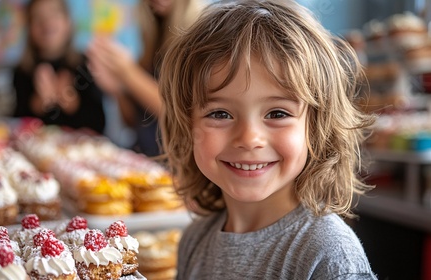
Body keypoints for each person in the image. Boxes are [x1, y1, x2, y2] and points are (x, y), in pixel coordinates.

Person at [158, 0, 378, 279]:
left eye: (277, 113)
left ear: (317, 127)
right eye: (220, 113)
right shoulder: (193, 240)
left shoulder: (327, 251)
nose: (249, 139)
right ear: (187, 126)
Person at [86, 0, 204, 156]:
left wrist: (128, 73)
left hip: (175, 163)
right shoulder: (153, 37)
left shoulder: (201, 35)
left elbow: (178, 115)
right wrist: (117, 90)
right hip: (146, 158)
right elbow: (134, 121)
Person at [13, 0, 106, 134]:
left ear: (68, 22)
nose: (46, 22)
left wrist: (73, 105)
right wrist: (38, 104)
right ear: (29, 28)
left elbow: (99, 125)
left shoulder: (87, 65)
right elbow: (17, 125)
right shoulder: (23, 71)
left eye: (54, 14)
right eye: (37, 17)